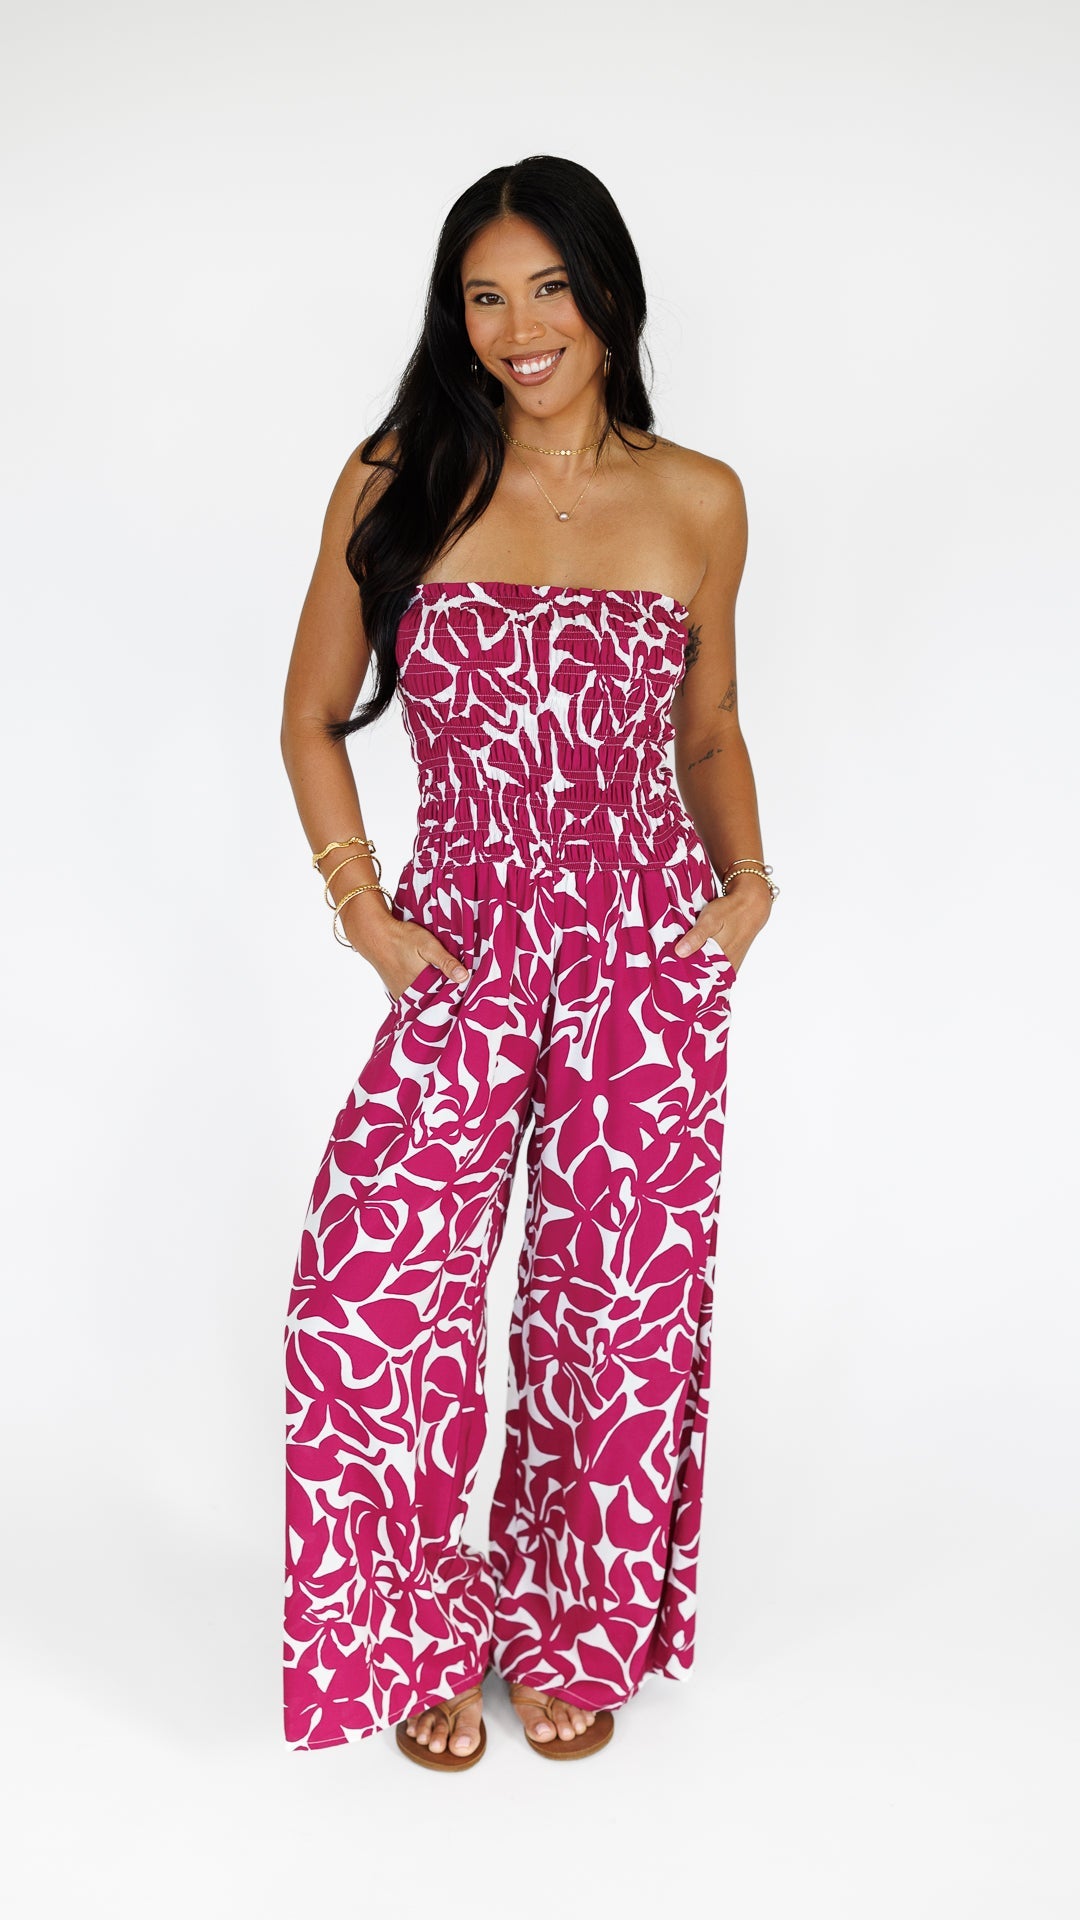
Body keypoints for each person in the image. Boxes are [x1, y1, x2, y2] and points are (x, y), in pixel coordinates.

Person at [279, 153, 778, 1769]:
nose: (520, 327)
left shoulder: (700, 500)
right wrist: (365, 912)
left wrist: (746, 890)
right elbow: (310, 718)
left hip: (642, 952)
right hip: (462, 940)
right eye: (485, 297)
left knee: (609, 1320)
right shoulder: (398, 474)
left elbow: (709, 728)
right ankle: (421, 1627)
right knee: (374, 1297)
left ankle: (572, 1628)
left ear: (608, 292)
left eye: (549, 288)